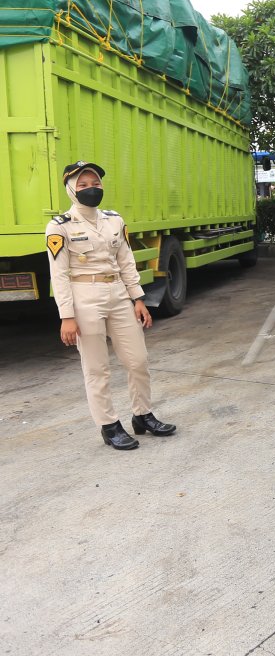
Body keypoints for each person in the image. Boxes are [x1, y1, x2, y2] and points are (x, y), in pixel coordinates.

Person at [45, 161, 177, 451]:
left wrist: (138, 298)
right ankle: (109, 425)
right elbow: (60, 274)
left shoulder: (114, 220)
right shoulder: (59, 227)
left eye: (95, 184)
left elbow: (126, 262)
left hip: (118, 293)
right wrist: (67, 316)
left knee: (138, 359)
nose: (91, 189)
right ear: (70, 189)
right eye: (83, 184)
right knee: (97, 368)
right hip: (84, 296)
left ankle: (142, 415)